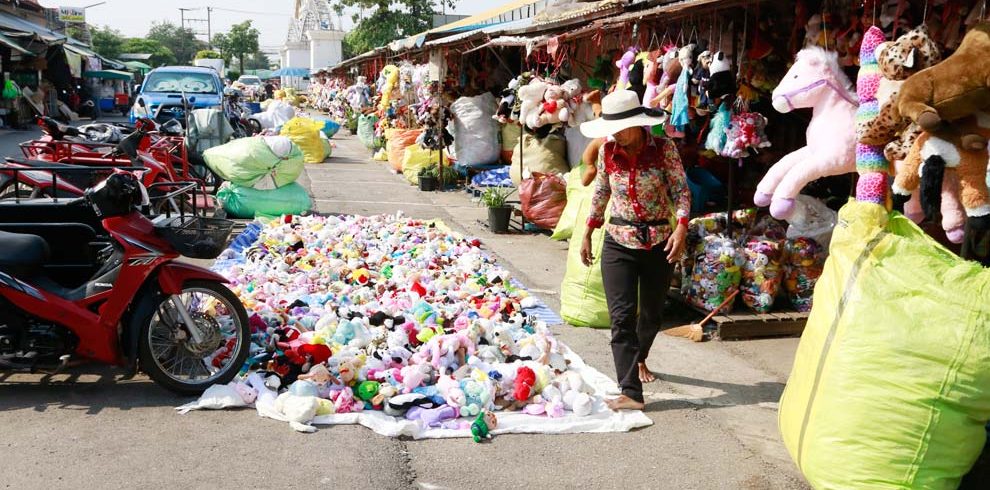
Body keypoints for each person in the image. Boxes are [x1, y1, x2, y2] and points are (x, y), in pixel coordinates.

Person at [579, 90, 691, 411]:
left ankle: (639, 356)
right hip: (618, 239)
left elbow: (681, 190)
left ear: (637, 125)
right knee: (621, 315)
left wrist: (681, 226)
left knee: (652, 314)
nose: (614, 134)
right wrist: (589, 229)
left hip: (659, 241)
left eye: (620, 128)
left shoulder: (664, 150)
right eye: (611, 128)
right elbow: (601, 190)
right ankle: (631, 390)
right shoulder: (607, 152)